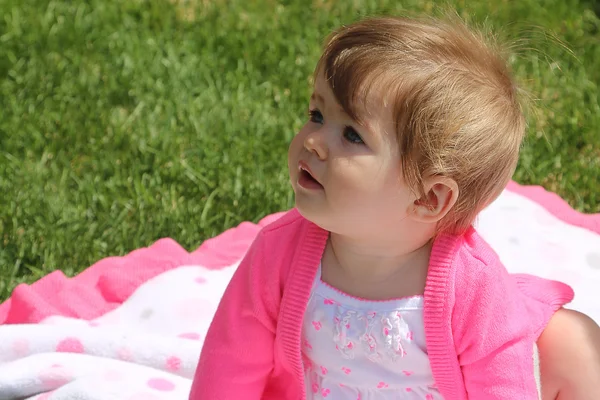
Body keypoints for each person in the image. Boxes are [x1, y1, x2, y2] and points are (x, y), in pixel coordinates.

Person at [189, 15, 600, 399]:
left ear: (428, 198)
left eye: (352, 135)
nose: (313, 140)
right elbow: (228, 365)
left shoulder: (473, 287)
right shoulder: (277, 254)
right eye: (317, 114)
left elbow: (502, 387)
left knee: (573, 344)